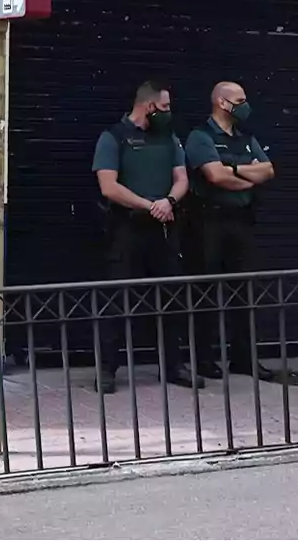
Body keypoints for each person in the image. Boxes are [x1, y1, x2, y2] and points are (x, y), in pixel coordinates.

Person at [91, 81, 204, 394]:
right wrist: (149, 206)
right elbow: (108, 186)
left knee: (171, 298)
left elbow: (182, 178)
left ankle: (173, 366)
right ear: (149, 106)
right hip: (126, 229)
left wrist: (168, 201)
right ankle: (107, 369)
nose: (169, 113)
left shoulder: (169, 138)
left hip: (164, 228)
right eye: (165, 107)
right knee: (117, 299)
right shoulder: (113, 137)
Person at [184, 81, 276, 380]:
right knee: (206, 293)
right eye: (241, 100)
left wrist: (232, 170)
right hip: (209, 222)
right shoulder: (201, 137)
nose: (245, 105)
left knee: (246, 291)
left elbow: (268, 170)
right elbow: (214, 176)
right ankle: (205, 360)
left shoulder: (246, 138)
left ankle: (244, 358)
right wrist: (244, 173)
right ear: (223, 103)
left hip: (241, 220)